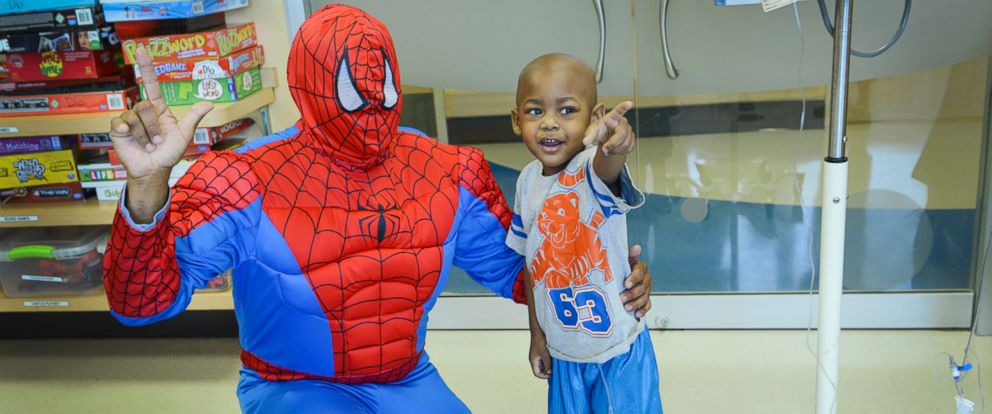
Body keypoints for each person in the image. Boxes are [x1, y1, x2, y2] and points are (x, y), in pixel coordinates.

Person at [102, 5, 653, 413]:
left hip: (406, 378)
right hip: (289, 385)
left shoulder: (446, 169)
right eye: (349, 84)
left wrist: (608, 278)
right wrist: (148, 184)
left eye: (380, 82)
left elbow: (524, 272)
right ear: (311, 84)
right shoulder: (240, 180)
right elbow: (142, 305)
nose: (370, 102)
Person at [506, 53, 663, 413]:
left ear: (594, 117)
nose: (549, 124)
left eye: (566, 110)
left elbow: (607, 163)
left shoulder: (589, 169)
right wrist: (537, 337)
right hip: (564, 354)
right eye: (534, 111)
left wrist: (614, 142)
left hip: (616, 353)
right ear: (516, 119)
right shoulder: (527, 182)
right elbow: (532, 268)